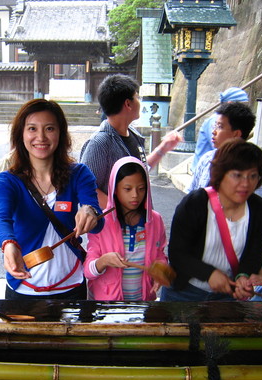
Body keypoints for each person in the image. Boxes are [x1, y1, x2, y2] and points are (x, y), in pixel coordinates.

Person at [0, 99, 104, 300]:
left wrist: (90, 211)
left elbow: (97, 223)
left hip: (72, 286)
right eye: (32, 129)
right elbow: (2, 218)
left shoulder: (79, 174)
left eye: (49, 128)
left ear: (60, 133)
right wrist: (8, 244)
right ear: (21, 134)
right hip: (22, 290)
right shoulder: (7, 181)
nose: (41, 137)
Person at [161, 138, 262, 302]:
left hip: (226, 297)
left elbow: (254, 253)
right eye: (237, 175)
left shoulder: (258, 208)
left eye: (253, 176)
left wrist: (243, 275)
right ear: (220, 173)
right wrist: (209, 274)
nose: (245, 183)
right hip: (184, 294)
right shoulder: (195, 203)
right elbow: (178, 254)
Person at [80, 74, 182, 209]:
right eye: (137, 98)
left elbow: (140, 170)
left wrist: (163, 148)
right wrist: (122, 215)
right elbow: (86, 187)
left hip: (137, 225)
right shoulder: (99, 143)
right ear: (128, 104)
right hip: (113, 228)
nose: (139, 102)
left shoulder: (134, 135)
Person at [84, 156, 167, 301]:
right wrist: (103, 261)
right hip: (107, 307)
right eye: (127, 189)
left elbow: (159, 255)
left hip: (143, 302)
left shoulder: (155, 221)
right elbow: (88, 271)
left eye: (141, 189)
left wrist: (160, 271)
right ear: (114, 189)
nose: (135, 195)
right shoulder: (101, 222)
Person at [186, 102, 256, 192]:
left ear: (236, 134)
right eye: (214, 125)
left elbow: (254, 204)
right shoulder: (207, 158)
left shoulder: (252, 167)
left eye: (219, 126)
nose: (213, 131)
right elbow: (190, 193)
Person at [191, 87, 249, 173]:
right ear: (230, 104)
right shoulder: (216, 121)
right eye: (242, 104)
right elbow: (220, 147)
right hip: (204, 170)